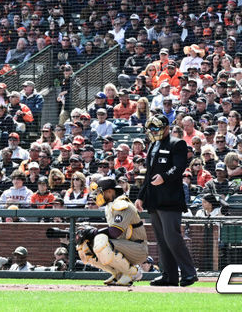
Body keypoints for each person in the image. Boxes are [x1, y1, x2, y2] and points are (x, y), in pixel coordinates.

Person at [136, 114, 197, 286]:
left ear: (166, 128)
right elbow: (148, 174)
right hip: (154, 200)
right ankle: (169, 276)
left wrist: (164, 176)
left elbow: (179, 167)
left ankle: (189, 273)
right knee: (162, 240)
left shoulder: (177, 143)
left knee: (172, 237)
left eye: (156, 128)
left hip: (170, 200)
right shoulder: (152, 145)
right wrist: (141, 196)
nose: (154, 131)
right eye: (151, 128)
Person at [77, 176, 148, 286]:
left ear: (110, 191)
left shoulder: (123, 205)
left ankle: (132, 273)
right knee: (85, 245)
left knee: (101, 240)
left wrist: (94, 232)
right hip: (123, 245)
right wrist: (89, 235)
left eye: (100, 192)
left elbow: (115, 232)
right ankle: (118, 273)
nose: (98, 195)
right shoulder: (110, 205)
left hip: (137, 248)